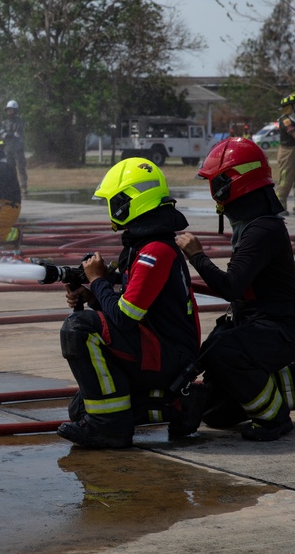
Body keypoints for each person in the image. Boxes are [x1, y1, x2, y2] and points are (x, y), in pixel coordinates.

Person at [176, 137, 295, 441]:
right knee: (216, 412)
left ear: (228, 183)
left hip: (283, 325)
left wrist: (196, 256)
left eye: (215, 182)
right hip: (262, 321)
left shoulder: (263, 229)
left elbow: (232, 286)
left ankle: (273, 419)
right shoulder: (253, 224)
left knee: (224, 353)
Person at [57, 157, 201, 449]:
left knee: (78, 329)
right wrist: (95, 296)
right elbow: (132, 305)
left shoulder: (155, 250)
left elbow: (124, 318)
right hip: (161, 347)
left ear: (127, 202)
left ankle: (109, 430)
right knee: (81, 410)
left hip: (168, 353)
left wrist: (97, 281)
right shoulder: (145, 245)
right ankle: (177, 406)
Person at [0, 100, 28, 193]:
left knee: (21, 168)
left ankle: (24, 187)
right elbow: (2, 134)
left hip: (18, 149)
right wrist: (8, 134)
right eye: (8, 109)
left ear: (15, 110)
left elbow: (17, 134)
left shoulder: (19, 122)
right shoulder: (5, 122)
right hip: (8, 148)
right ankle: (13, 187)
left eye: (11, 109)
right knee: (10, 169)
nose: (9, 111)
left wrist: (8, 134)